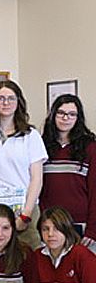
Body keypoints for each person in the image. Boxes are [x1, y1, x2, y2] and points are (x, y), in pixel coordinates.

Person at [0, 80, 47, 249]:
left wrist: (26, 215)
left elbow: (36, 178)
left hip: (23, 209)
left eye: (11, 98)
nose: (6, 103)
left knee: (29, 259)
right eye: (0, 98)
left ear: (18, 102)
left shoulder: (31, 135)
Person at [40, 94, 96, 253]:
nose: (66, 118)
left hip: (80, 226)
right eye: (61, 113)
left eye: (72, 114)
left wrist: (92, 229)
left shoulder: (90, 148)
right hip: (49, 225)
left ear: (78, 118)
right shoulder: (41, 146)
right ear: (53, 115)